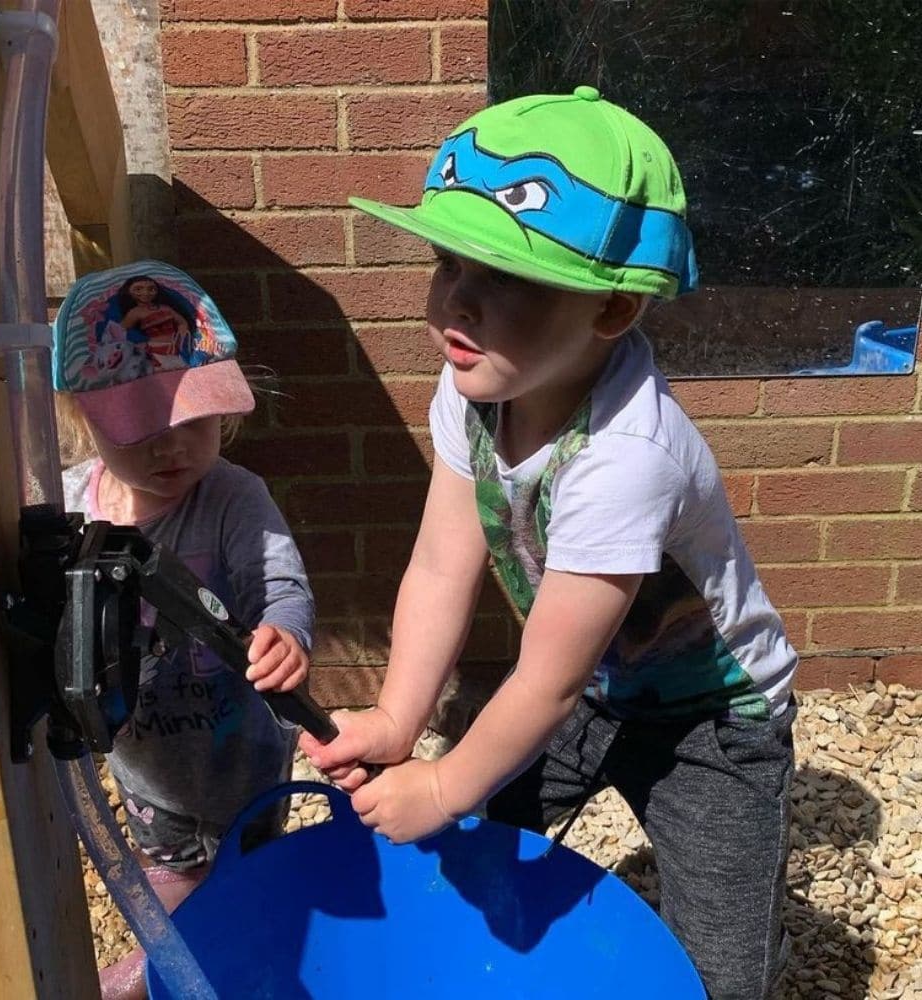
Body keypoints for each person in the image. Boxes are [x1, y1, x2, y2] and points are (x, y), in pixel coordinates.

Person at [301, 88, 798, 1000]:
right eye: (450, 263)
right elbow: (441, 562)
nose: (459, 302)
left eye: (507, 279)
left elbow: (545, 682)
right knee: (482, 846)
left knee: (721, 973)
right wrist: (400, 721)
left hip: (711, 718)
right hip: (594, 684)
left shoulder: (628, 457)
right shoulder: (470, 393)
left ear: (612, 311)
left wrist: (443, 787)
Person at [54, 260, 316, 1000]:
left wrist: (285, 630)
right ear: (84, 416)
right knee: (167, 884)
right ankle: (170, 974)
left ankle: (227, 970)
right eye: (141, 427)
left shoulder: (233, 497)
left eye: (193, 421)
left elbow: (280, 581)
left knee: (247, 888)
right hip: (146, 768)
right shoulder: (74, 507)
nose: (172, 447)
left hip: (243, 755)